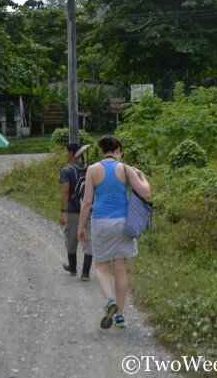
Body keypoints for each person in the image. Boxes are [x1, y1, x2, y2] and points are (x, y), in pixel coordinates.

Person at [78, 136, 151, 329]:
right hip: (122, 222)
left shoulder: (92, 169)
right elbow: (146, 192)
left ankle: (110, 300)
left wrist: (80, 227)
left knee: (101, 267)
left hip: (100, 222)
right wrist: (141, 175)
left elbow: (86, 202)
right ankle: (120, 315)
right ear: (118, 150)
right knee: (120, 268)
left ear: (104, 150)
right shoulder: (125, 169)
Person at [59, 142, 92, 280]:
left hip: (73, 211)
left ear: (72, 153)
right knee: (88, 240)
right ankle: (85, 273)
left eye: (67, 152)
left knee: (71, 239)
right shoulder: (89, 168)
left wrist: (63, 211)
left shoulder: (67, 170)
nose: (66, 154)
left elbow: (66, 190)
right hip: (88, 210)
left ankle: (72, 268)